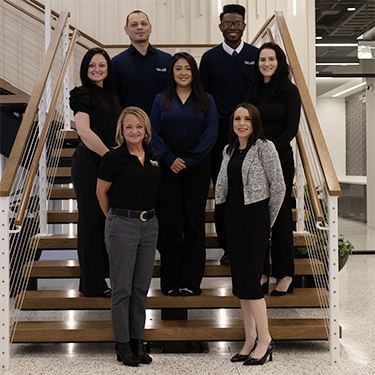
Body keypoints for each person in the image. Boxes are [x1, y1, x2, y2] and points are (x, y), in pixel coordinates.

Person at [215, 103, 285, 366]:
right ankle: (249, 340)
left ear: (255, 122)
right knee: (241, 286)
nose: (241, 123)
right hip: (233, 218)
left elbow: (278, 186)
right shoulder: (229, 149)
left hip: (255, 218)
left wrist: (267, 222)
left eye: (246, 119)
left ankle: (265, 341)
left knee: (253, 285)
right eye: (237, 118)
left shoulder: (265, 147)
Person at [96, 107, 160, 367]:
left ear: (146, 129)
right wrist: (115, 218)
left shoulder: (154, 156)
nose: (134, 131)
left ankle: (137, 341)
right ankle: (122, 344)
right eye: (128, 127)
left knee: (140, 289)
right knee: (121, 289)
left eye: (139, 126)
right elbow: (101, 193)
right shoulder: (113, 158)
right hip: (123, 224)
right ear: (121, 132)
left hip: (150, 225)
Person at [150, 52, 218, 296]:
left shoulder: (206, 100)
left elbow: (211, 133)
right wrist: (168, 158)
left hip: (197, 165)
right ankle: (169, 282)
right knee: (169, 224)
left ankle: (191, 281)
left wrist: (189, 160)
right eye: (178, 68)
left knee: (194, 223)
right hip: (167, 165)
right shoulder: (160, 99)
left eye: (187, 68)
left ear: (194, 72)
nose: (183, 72)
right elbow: (153, 133)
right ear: (172, 72)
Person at [199, 4, 258, 265]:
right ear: (220, 26)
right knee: (222, 191)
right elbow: (203, 98)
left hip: (250, 135)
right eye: (227, 24)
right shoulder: (209, 59)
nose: (232, 28)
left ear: (244, 26)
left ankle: (250, 242)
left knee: (249, 189)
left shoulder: (256, 55)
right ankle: (227, 246)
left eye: (237, 24)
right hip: (220, 135)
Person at [245, 42, 301, 296]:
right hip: (255, 159)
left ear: (279, 62)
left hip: (279, 157)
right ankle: (263, 272)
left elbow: (291, 129)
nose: (266, 64)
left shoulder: (289, 91)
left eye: (271, 59)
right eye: (262, 60)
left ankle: (285, 273)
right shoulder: (253, 91)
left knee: (280, 217)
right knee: (258, 218)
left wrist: (267, 150)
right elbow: (246, 124)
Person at [69, 48, 121, 297]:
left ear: (108, 69)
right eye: (92, 66)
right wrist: (110, 156)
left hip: (107, 162)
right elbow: (84, 132)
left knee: (105, 221)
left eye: (101, 65)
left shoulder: (111, 96)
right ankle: (92, 284)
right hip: (90, 163)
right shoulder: (82, 94)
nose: (97, 70)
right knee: (90, 222)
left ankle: (104, 277)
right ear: (85, 69)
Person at [111, 10, 172, 115]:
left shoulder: (167, 60)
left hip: (163, 126)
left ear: (150, 27)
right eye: (134, 25)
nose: (139, 27)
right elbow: (114, 100)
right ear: (126, 30)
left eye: (143, 24)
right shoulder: (116, 63)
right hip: (131, 127)